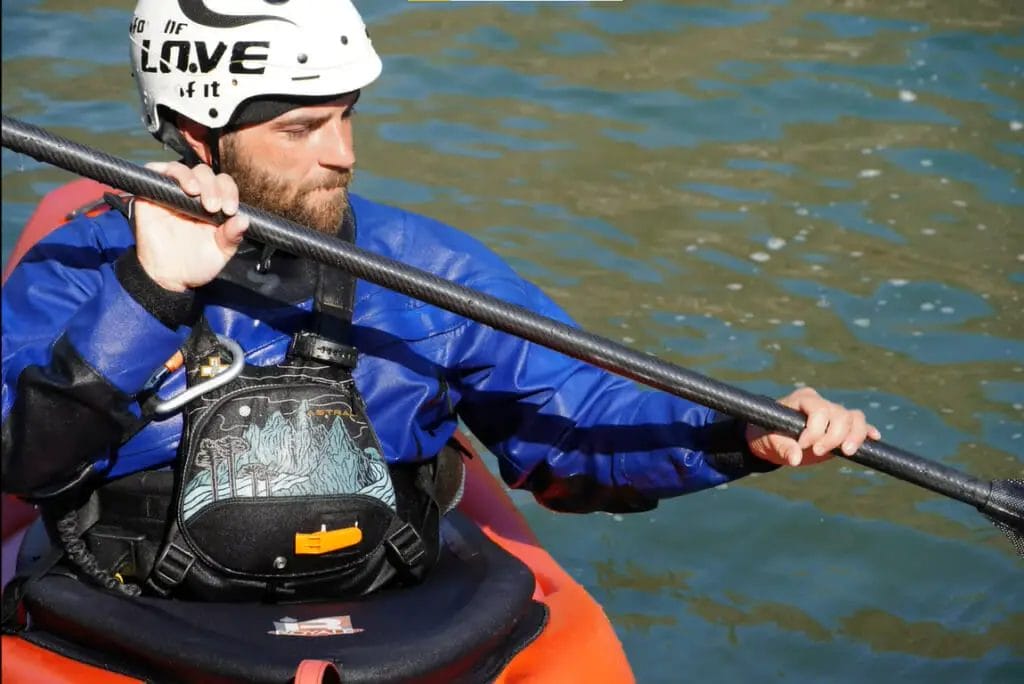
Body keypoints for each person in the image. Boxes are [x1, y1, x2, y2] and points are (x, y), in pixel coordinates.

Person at [1, 0, 879, 600]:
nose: (342, 153)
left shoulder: (424, 267)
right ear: (198, 134)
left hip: (392, 614)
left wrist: (741, 435)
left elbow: (575, 422)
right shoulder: (84, 263)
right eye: (301, 128)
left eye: (347, 115)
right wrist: (149, 293)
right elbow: (27, 462)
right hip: (139, 618)